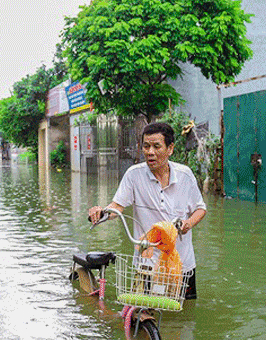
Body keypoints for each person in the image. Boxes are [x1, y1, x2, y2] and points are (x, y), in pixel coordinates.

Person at [88, 122, 207, 299]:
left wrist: (188, 223)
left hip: (182, 264)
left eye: (156, 146)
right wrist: (101, 211)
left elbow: (200, 208)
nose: (150, 152)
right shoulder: (134, 175)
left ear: (170, 149)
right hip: (147, 262)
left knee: (184, 315)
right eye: (146, 146)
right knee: (143, 310)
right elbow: (117, 207)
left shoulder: (185, 175)